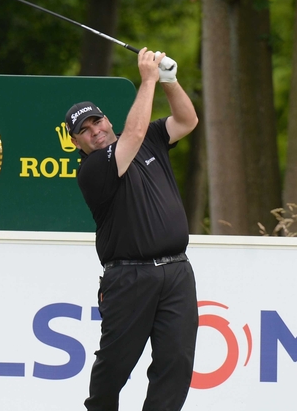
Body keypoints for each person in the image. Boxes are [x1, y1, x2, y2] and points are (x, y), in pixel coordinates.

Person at [64, 47, 199, 411]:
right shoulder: (93, 169)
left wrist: (169, 79)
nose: (96, 131)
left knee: (176, 363)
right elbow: (135, 131)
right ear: (76, 143)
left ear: (107, 120)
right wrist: (149, 78)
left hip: (176, 272)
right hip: (129, 279)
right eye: (85, 130)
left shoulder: (150, 139)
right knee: (115, 366)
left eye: (98, 122)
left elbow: (186, 121)